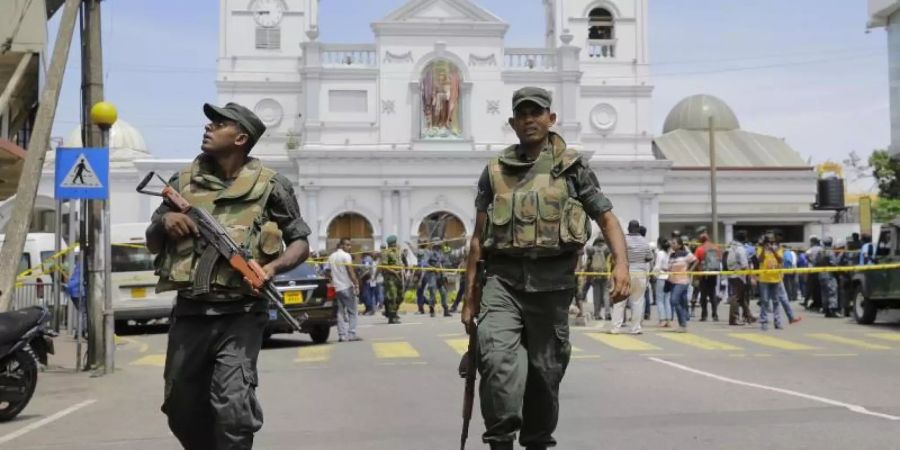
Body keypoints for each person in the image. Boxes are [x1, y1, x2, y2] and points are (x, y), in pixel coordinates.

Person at [461, 87, 629, 450]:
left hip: (552, 288)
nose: (529, 119)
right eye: (522, 114)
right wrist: (469, 299)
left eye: (536, 113)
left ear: (551, 119)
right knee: (495, 360)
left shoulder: (572, 168)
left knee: (544, 374)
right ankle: (500, 440)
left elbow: (607, 219)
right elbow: (477, 240)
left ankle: (536, 441)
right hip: (502, 283)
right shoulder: (494, 173)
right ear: (512, 122)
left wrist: (622, 266)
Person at [146, 102, 311, 449]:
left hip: (241, 314)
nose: (208, 128)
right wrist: (164, 222)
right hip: (190, 313)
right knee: (180, 407)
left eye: (219, 124)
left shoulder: (271, 186)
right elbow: (151, 240)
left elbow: (300, 242)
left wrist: (272, 268)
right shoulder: (182, 182)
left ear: (240, 138)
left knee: (232, 406)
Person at [611, 220, 653, 334]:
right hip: (640, 274)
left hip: (625, 273)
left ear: (628, 229)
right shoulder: (645, 242)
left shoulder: (623, 241)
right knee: (638, 301)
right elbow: (649, 258)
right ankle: (635, 328)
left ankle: (615, 328)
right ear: (638, 229)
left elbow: (616, 255)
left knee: (620, 301)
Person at [329, 238, 363, 341]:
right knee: (352, 311)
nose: (350, 247)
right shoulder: (346, 256)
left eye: (350, 245)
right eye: (347, 245)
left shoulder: (332, 256)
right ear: (342, 245)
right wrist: (356, 283)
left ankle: (341, 335)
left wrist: (334, 280)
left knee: (340, 312)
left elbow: (327, 271)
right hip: (346, 287)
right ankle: (351, 334)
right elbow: (350, 271)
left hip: (337, 288)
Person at [667, 237, 695, 332]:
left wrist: (690, 270)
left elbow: (695, 260)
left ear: (679, 245)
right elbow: (669, 267)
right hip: (673, 281)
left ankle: (683, 323)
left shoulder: (686, 254)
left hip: (682, 281)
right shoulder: (672, 255)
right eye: (672, 243)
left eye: (674, 243)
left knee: (674, 301)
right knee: (681, 303)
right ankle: (682, 325)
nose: (672, 244)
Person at [693, 229, 722, 321]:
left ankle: (704, 315)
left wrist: (694, 272)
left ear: (701, 240)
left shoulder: (699, 249)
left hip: (703, 274)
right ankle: (715, 314)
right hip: (713, 273)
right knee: (712, 294)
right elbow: (719, 259)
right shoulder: (716, 247)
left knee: (703, 295)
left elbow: (696, 261)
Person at [724, 231, 752, 325]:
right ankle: (734, 319)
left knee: (741, 297)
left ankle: (749, 316)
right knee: (736, 297)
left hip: (731, 274)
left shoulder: (730, 248)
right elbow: (744, 265)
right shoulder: (740, 249)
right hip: (739, 276)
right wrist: (750, 276)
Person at [381, 235, 404, 324]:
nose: (395, 244)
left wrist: (402, 270)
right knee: (392, 296)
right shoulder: (386, 253)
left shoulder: (397, 252)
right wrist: (394, 272)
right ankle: (392, 316)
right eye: (393, 243)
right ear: (390, 244)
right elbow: (384, 266)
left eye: (395, 242)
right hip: (390, 278)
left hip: (398, 277)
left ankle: (392, 311)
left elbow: (400, 263)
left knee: (401, 296)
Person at [818, 236, 840, 317]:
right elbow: (833, 263)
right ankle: (832, 310)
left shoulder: (820, 252)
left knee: (824, 293)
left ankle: (826, 309)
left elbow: (816, 262)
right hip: (829, 274)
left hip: (821, 274)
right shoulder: (830, 252)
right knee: (832, 291)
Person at [653, 238, 672, 327]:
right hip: (668, 277)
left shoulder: (660, 253)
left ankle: (662, 319)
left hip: (661, 277)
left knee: (660, 300)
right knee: (667, 300)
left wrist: (654, 274)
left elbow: (657, 266)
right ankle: (668, 319)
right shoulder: (669, 253)